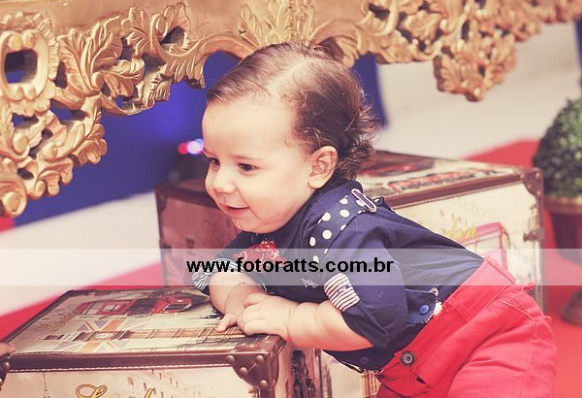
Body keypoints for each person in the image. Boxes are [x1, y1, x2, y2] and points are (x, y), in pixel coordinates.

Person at [190, 42, 557, 397]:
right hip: (409, 371)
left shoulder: (343, 230)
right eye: (214, 161)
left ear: (318, 166)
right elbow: (214, 271)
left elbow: (375, 319)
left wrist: (289, 318)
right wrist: (244, 298)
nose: (220, 183)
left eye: (246, 167)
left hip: (488, 335)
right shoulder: (264, 228)